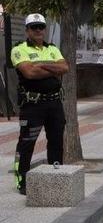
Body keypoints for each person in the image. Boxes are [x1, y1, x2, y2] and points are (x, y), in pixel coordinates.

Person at [10, 14, 69, 195]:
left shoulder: (52, 48)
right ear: (27, 30)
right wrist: (52, 68)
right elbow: (29, 73)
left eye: (41, 27)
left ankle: (55, 175)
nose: (38, 30)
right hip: (32, 105)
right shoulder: (19, 49)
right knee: (27, 143)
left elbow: (65, 68)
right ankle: (22, 180)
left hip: (54, 103)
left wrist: (40, 64)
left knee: (56, 142)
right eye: (34, 27)